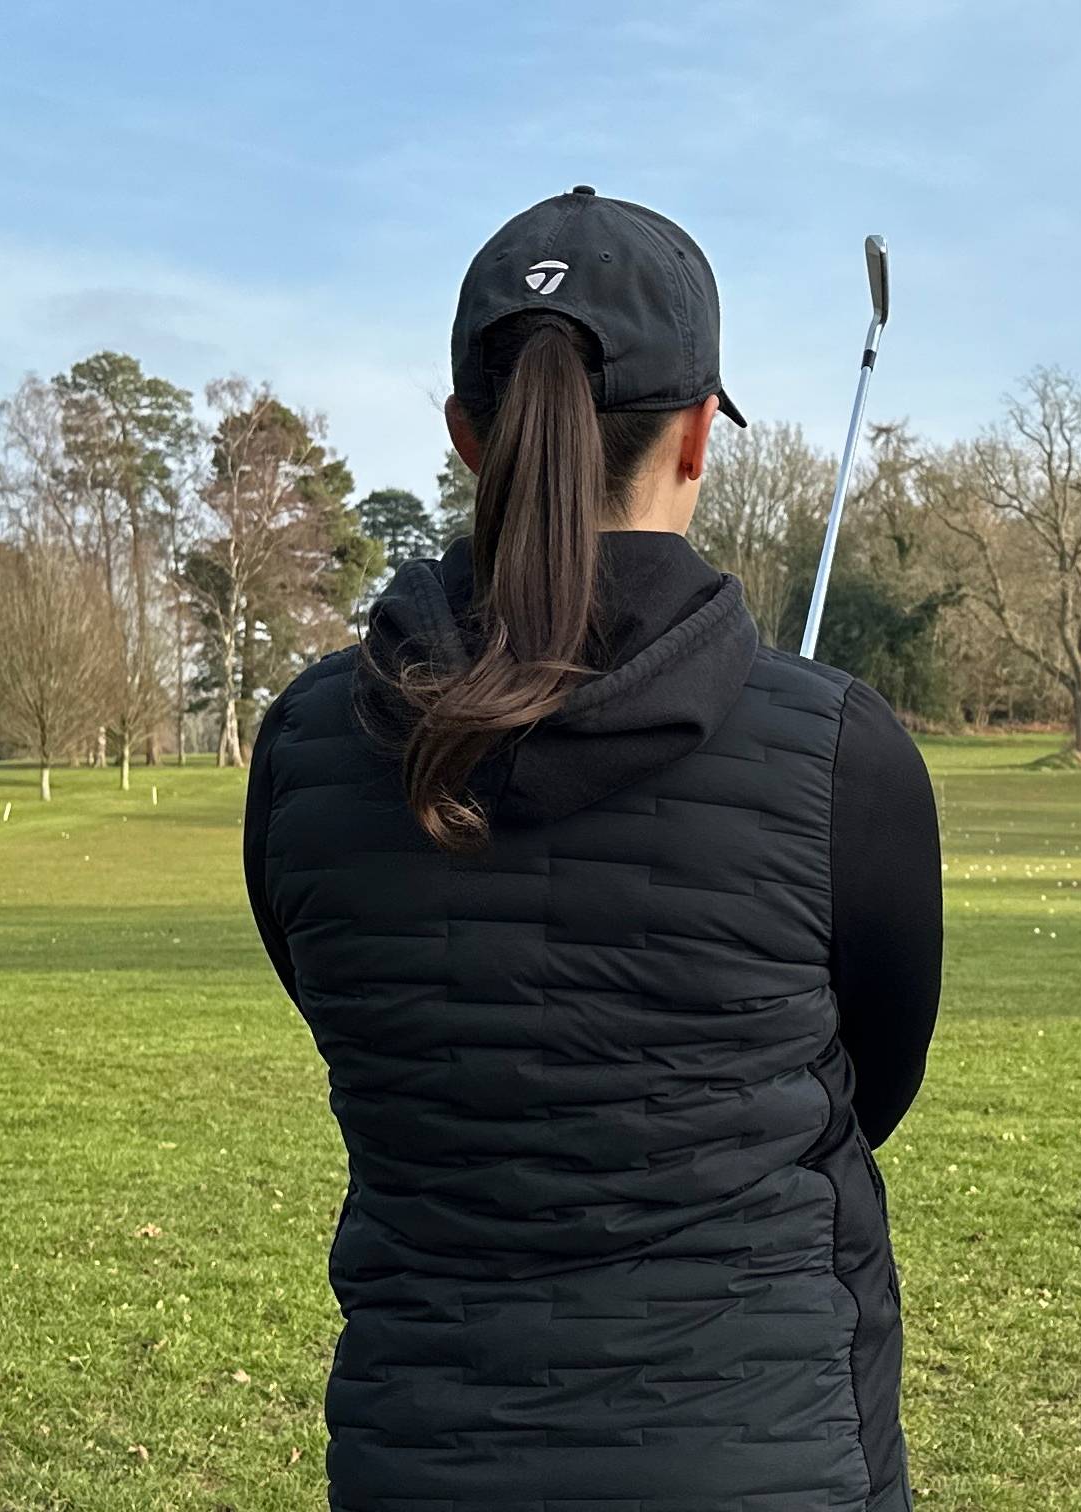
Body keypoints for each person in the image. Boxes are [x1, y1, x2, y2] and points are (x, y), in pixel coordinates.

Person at [242, 186, 943, 1512]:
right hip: (768, 1464)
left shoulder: (300, 744)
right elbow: (868, 1088)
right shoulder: (845, 752)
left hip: (423, 1466)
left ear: (463, 436)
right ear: (696, 435)